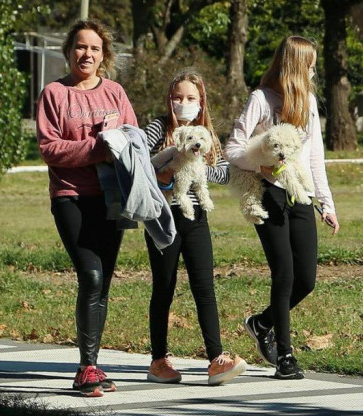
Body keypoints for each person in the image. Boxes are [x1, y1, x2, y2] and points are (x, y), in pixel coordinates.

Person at [224, 36, 340, 379]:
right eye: (309, 65)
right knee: (284, 274)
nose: (314, 71)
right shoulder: (262, 99)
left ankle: (261, 323)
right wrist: (257, 165)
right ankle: (285, 355)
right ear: (293, 65)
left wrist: (326, 203)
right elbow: (233, 147)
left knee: (305, 279)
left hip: (299, 193)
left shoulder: (310, 102)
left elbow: (314, 156)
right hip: (268, 193)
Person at [36, 20, 137, 397]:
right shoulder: (54, 93)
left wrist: (121, 141)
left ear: (103, 55)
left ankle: (90, 365)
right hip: (70, 196)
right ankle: (86, 368)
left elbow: (133, 140)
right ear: (69, 51)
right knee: (91, 277)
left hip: (112, 198)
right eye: (81, 47)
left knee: (103, 284)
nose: (87, 54)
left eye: (94, 49)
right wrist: (97, 147)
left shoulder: (115, 93)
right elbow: (49, 148)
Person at [143, 69, 247, 385]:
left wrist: (198, 166)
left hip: (196, 217)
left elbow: (224, 173)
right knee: (164, 286)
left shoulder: (206, 133)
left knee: (204, 286)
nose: (183, 103)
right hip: (162, 217)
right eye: (177, 97)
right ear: (169, 100)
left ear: (201, 101)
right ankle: (159, 359)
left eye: (190, 98)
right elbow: (139, 166)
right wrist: (165, 173)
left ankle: (216, 358)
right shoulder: (157, 128)